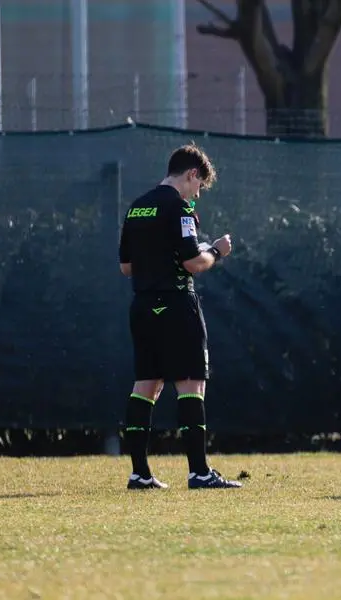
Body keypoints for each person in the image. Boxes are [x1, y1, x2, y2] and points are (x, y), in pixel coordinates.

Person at [117, 142, 242, 490]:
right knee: (191, 384)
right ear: (191, 175)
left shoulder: (137, 208)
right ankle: (199, 472)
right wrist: (216, 251)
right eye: (199, 185)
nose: (198, 194)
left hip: (142, 307)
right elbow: (193, 263)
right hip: (175, 305)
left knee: (145, 386)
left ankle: (139, 473)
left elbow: (126, 267)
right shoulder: (180, 208)